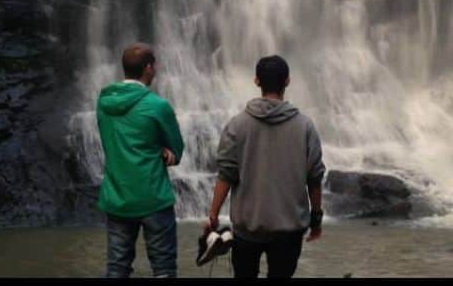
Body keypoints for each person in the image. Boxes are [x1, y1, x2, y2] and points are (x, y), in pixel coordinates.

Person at [205, 55, 326, 279]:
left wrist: (213, 214)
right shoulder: (305, 126)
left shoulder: (237, 125)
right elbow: (315, 177)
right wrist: (316, 218)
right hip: (289, 230)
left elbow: (226, 174)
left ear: (256, 81)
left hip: (247, 228)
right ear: (287, 81)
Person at [96, 43, 185, 278]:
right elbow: (177, 150)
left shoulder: (103, 103)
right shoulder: (158, 105)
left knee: (117, 267)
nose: (155, 71)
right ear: (148, 68)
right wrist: (165, 150)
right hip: (153, 197)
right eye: (154, 66)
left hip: (117, 197)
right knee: (163, 269)